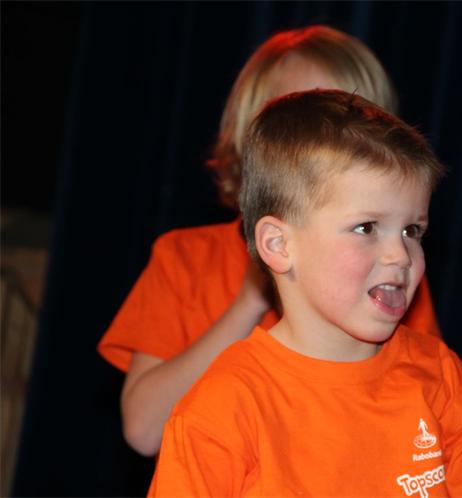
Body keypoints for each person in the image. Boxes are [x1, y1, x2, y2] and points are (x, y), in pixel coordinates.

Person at [147, 89, 462, 497]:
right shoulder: (225, 406)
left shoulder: (438, 377)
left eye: (412, 230)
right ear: (279, 245)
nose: (400, 255)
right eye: (366, 228)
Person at [97, 25, 441, 457]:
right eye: (298, 119)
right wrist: (250, 299)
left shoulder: (388, 270)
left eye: (346, 123)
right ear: (250, 137)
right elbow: (145, 431)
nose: (322, 139)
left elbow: (423, 421)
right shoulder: (184, 257)